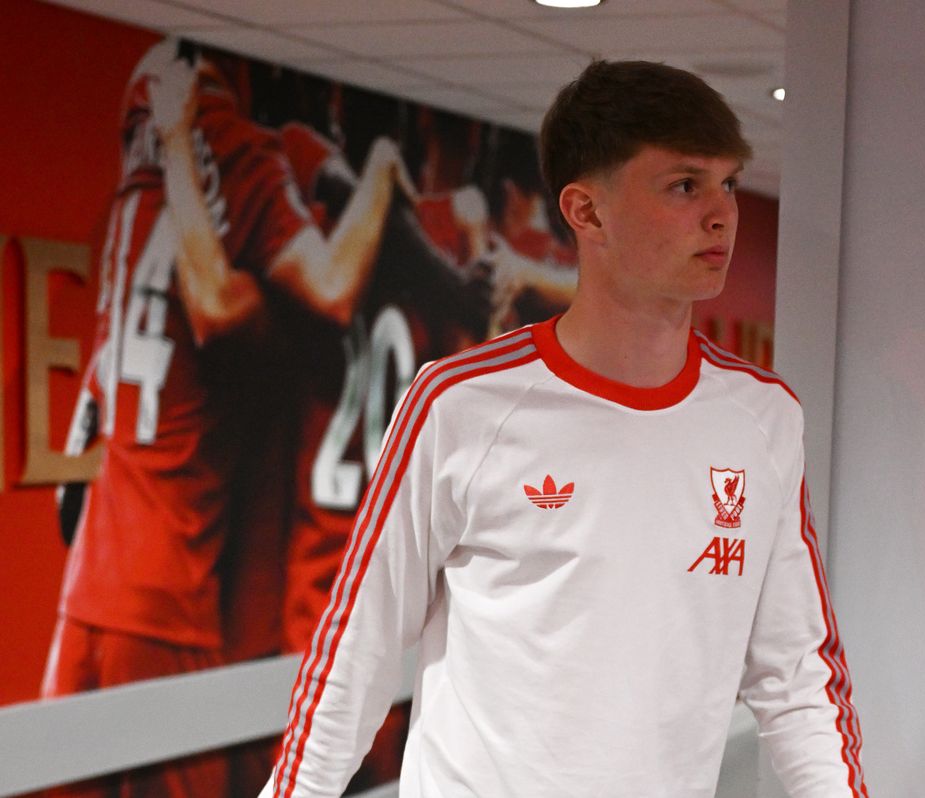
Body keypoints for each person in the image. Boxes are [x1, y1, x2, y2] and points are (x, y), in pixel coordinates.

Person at [262, 59, 868, 798]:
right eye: (685, 185)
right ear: (586, 213)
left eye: (729, 182)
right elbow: (352, 653)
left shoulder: (762, 418)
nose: (721, 213)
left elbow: (798, 678)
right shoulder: (460, 404)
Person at [43, 39, 401, 797]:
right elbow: (316, 291)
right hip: (171, 599)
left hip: (92, 588)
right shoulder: (235, 158)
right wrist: (382, 171)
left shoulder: (134, 179)